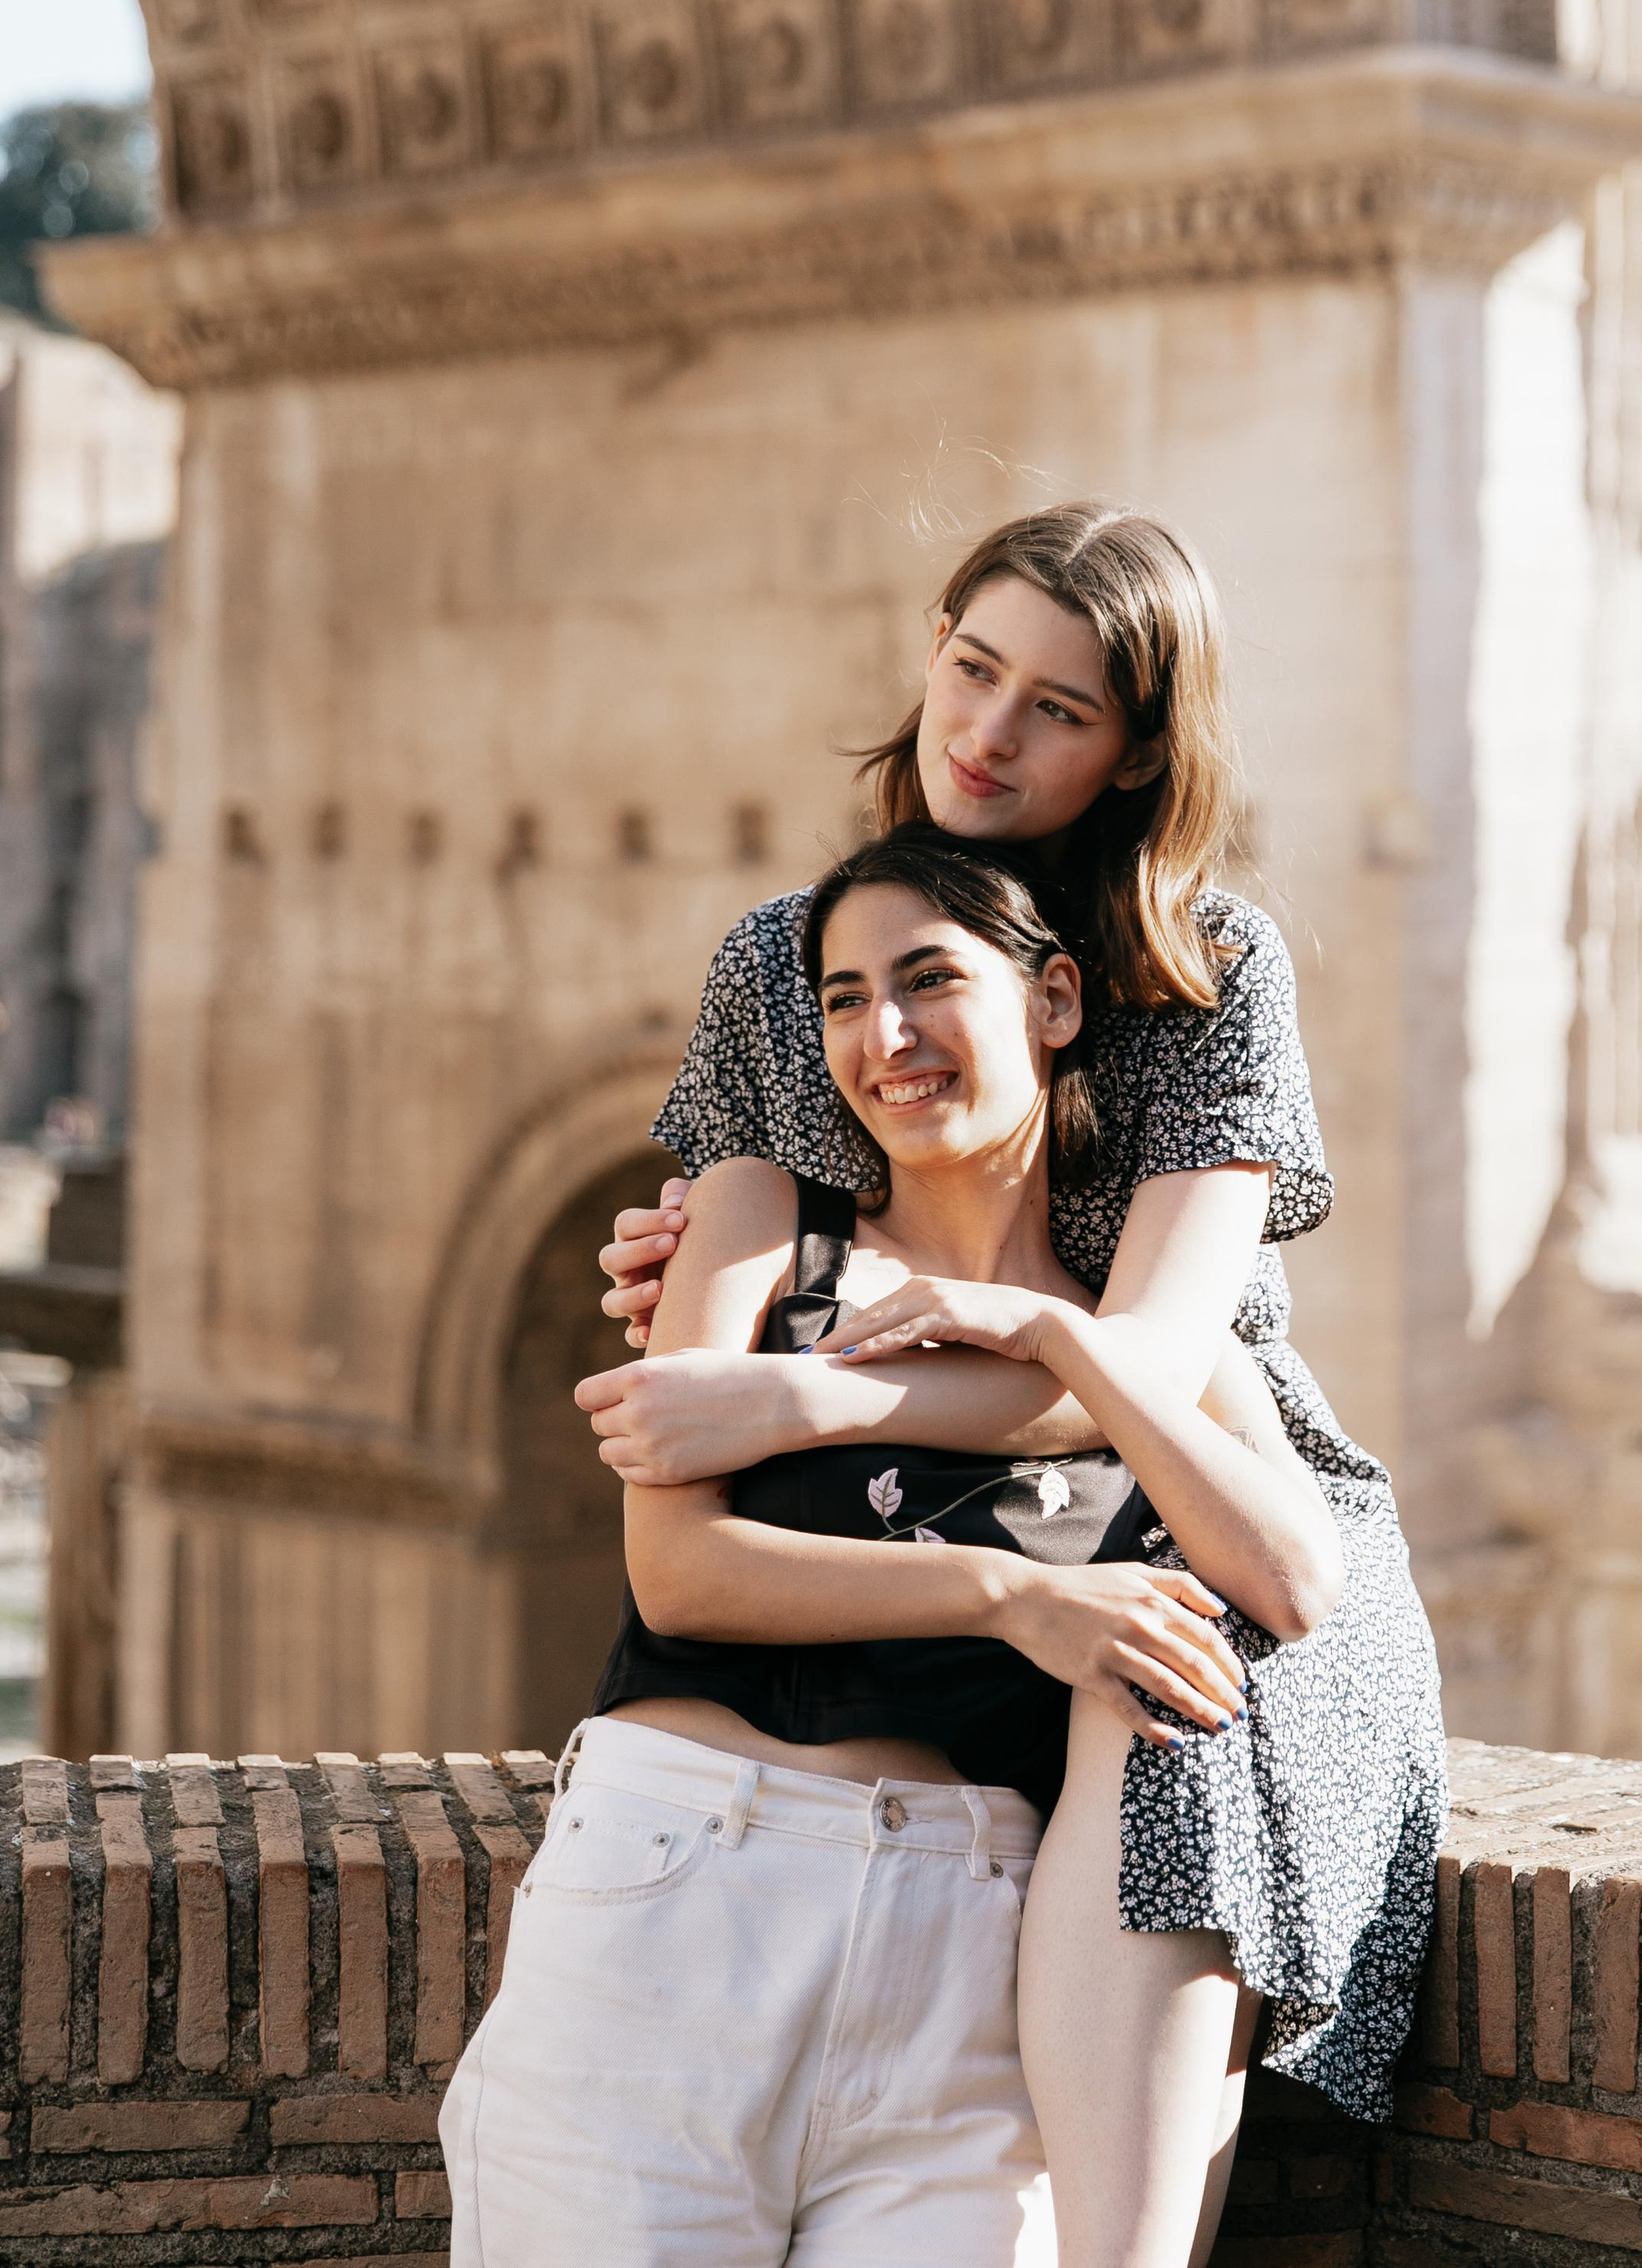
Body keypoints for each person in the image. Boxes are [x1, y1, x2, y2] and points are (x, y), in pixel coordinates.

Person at [581, 505, 1447, 2257]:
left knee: (1170, 1675)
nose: (984, 734)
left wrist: (812, 1397)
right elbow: (739, 1278)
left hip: (1206, 1476)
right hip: (949, 1511)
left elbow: (1147, 1367)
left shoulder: (1207, 968)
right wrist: (727, 1332)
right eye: (972, 670)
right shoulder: (783, 958)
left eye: (1057, 708)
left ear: (1137, 752)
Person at [444, 829, 1346, 2268]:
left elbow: (1295, 1581)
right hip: (685, 1886)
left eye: (930, 982)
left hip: (973, 1968)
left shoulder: (1145, 1339)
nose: (887, 1039)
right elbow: (680, 1576)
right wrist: (1012, 1598)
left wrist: (1057, 1337)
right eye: (846, 1000)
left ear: (1055, 1000)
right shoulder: (763, 1222)